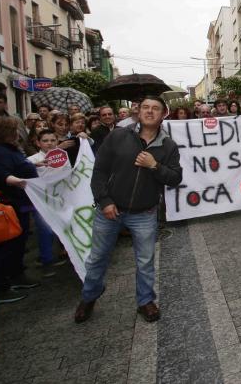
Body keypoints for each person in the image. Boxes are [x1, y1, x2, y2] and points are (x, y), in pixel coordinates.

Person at [75, 96, 182, 324]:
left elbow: (175, 178)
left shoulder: (168, 146)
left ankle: (145, 301)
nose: (149, 112)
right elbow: (99, 171)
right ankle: (89, 296)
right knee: (97, 258)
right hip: (110, 210)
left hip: (144, 213)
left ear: (164, 114)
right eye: (145, 107)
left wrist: (154, 166)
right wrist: (104, 201)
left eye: (155, 108)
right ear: (138, 112)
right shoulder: (118, 136)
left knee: (145, 260)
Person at [0, 116, 40, 304]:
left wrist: (32, 167)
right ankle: (1, 287)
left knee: (18, 241)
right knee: (7, 245)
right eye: (13, 130)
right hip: (9, 204)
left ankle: (16, 275)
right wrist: (22, 181)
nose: (17, 134)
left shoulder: (3, 149)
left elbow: (16, 165)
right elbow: (0, 175)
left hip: (18, 202)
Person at [26, 129, 68, 277]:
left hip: (60, 198)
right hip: (41, 201)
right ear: (38, 143)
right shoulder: (31, 160)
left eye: (52, 140)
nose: (49, 144)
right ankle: (46, 261)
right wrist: (34, 166)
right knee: (46, 230)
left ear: (57, 142)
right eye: (45, 141)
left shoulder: (63, 157)